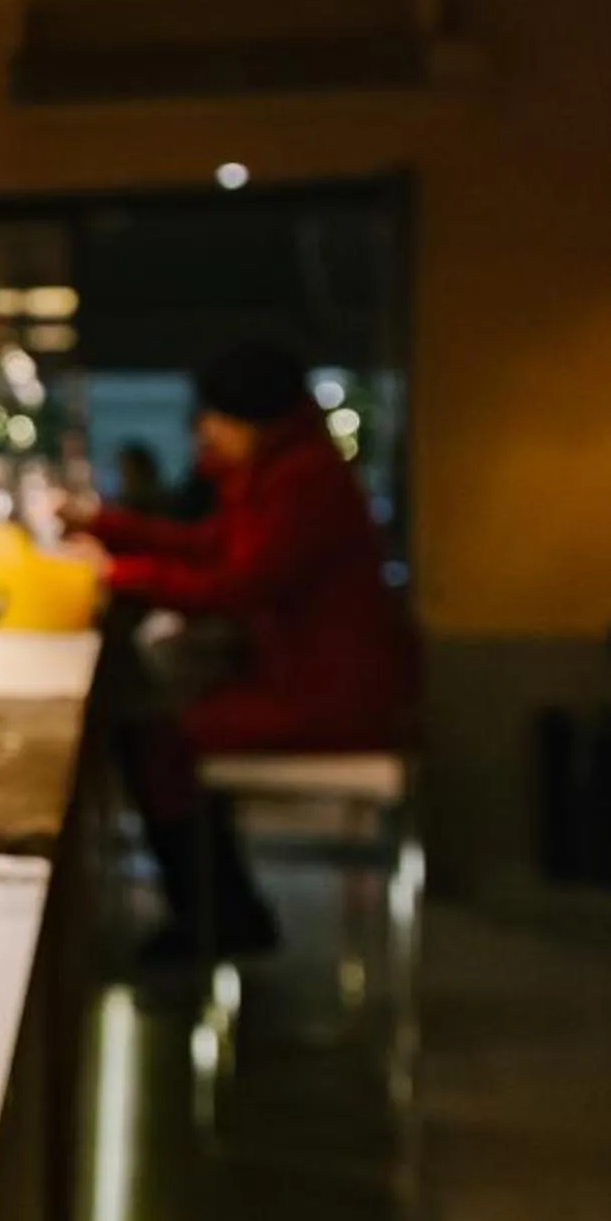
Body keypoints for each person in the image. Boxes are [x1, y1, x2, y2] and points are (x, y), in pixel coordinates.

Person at [76, 342, 418, 961]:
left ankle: (214, 919)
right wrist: (106, 528)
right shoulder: (286, 469)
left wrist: (117, 573)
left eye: (214, 416)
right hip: (305, 682)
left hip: (329, 699)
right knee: (156, 731)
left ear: (250, 417)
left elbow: (240, 583)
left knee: (159, 738)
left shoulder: (300, 480)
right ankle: (225, 912)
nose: (205, 431)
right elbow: (214, 545)